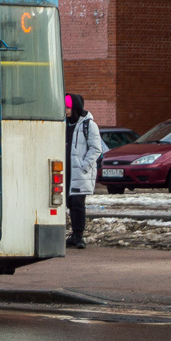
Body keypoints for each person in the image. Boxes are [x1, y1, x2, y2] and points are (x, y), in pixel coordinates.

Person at [65, 92, 105, 249]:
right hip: (67, 170)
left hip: (80, 171)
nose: (66, 110)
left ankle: (79, 235)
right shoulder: (65, 124)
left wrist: (84, 166)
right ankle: (74, 234)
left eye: (68, 107)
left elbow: (96, 149)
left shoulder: (89, 125)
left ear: (75, 107)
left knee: (77, 202)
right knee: (69, 202)